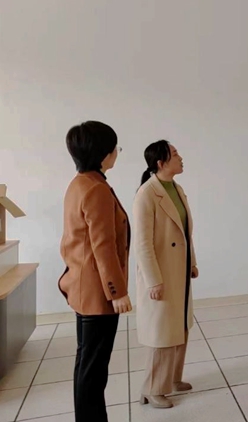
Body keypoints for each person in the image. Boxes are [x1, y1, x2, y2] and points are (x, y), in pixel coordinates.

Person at [58, 121, 133, 422]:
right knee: (93, 370)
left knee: (86, 364)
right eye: (115, 148)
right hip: (98, 293)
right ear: (104, 153)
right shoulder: (96, 189)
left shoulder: (79, 183)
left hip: (83, 287)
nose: (117, 153)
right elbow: (104, 246)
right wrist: (118, 292)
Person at [133, 140, 198, 409]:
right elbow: (142, 244)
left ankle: (172, 379)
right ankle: (152, 389)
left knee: (180, 326)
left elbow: (185, 232)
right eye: (174, 154)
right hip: (161, 274)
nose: (180, 157)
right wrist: (153, 281)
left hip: (179, 270)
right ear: (160, 163)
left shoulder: (177, 189)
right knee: (161, 332)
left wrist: (192, 262)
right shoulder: (147, 194)